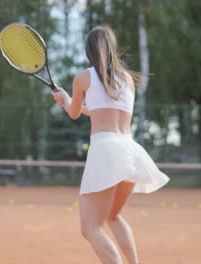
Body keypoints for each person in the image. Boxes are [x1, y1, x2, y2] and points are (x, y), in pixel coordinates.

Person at [52, 25, 170, 264]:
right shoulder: (127, 79)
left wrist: (65, 101)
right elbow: (102, 113)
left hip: (105, 151)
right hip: (129, 150)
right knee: (113, 216)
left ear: (89, 51)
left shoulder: (83, 77)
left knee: (90, 228)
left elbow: (74, 113)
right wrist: (69, 101)